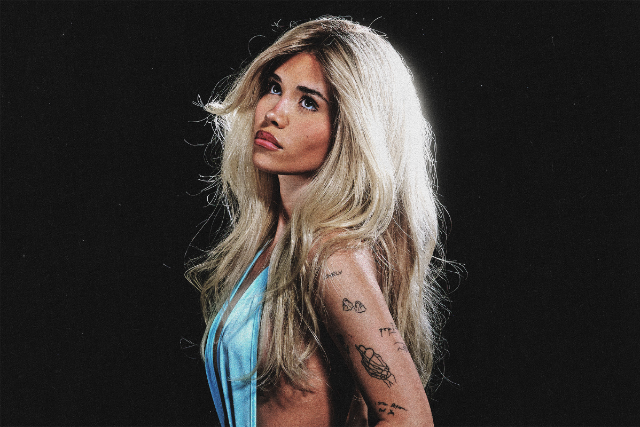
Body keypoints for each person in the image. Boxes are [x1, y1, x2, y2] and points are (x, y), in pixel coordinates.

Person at [187, 16, 445, 426]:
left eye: (308, 102)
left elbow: (411, 420)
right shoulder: (275, 241)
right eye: (274, 87)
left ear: (351, 130)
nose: (274, 113)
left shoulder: (330, 255)